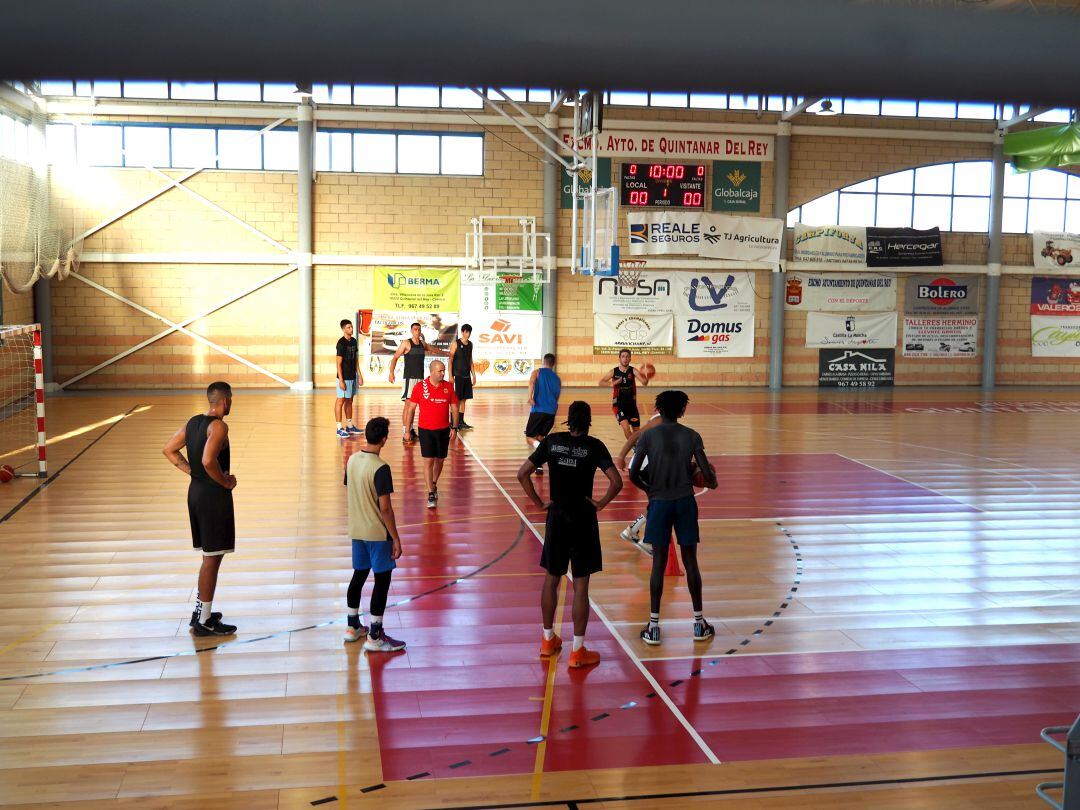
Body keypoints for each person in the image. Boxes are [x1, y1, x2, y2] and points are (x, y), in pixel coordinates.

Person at [518, 401, 622, 669]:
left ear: (567, 420)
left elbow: (523, 474)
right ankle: (577, 651)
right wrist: (600, 503)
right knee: (581, 585)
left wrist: (540, 503)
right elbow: (617, 482)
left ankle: (547, 640)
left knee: (551, 579)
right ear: (588, 422)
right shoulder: (594, 446)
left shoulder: (552, 442)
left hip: (557, 517)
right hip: (583, 518)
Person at [628, 390, 718, 647]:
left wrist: (650, 490)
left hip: (659, 502)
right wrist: (706, 477)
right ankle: (699, 624)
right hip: (685, 502)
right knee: (690, 562)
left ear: (659, 409)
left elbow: (634, 474)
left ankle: (654, 626)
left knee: (658, 563)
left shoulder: (648, 435)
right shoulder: (691, 436)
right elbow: (708, 478)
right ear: (682, 410)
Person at [162, 381, 238, 637]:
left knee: (210, 556)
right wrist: (225, 481)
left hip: (195, 492)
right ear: (225, 401)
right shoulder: (219, 426)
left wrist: (191, 472)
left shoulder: (193, 422)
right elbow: (207, 460)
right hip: (212, 497)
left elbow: (169, 450)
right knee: (212, 559)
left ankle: (202, 609)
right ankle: (204, 621)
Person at [343, 416, 406, 652]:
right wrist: (396, 538)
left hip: (356, 530)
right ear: (384, 439)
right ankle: (375, 636)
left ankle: (352, 627)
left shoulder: (352, 460)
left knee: (358, 576)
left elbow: (353, 489)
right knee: (382, 581)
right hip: (377, 534)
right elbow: (385, 508)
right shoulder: (381, 468)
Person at [403, 359, 459, 508]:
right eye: (440, 371)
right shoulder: (420, 387)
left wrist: (454, 427)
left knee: (440, 460)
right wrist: (407, 430)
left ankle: (433, 483)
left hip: (443, 430)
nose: (443, 373)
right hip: (426, 430)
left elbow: (454, 408)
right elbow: (411, 409)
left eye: (444, 371)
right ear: (432, 372)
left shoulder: (448, 387)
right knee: (428, 460)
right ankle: (430, 493)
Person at [615, 403, 662, 554]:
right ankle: (647, 541)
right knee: (660, 503)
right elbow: (635, 435)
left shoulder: (664, 421)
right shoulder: (659, 420)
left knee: (657, 503)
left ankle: (632, 531)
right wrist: (621, 455)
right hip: (643, 468)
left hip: (646, 467)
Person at [388, 322, 446, 443]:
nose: (417, 331)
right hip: (410, 379)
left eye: (419, 329)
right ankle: (405, 432)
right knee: (408, 406)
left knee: (414, 407)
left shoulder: (422, 344)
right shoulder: (406, 343)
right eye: (415, 329)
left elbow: (432, 349)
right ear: (411, 330)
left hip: (420, 379)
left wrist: (446, 353)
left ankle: (410, 430)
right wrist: (391, 372)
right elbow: (395, 357)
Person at [599, 349, 648, 440]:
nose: (625, 359)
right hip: (618, 404)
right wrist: (613, 383)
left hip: (631, 405)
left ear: (630, 359)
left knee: (636, 431)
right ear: (619, 358)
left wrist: (646, 376)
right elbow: (601, 382)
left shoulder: (633, 370)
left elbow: (644, 382)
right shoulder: (614, 371)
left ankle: (637, 445)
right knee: (626, 427)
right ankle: (634, 447)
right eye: (623, 356)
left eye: (627, 356)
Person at [524, 353, 561, 475]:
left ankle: (545, 451)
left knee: (530, 438)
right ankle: (539, 466)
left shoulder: (537, 372)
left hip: (538, 410)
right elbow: (557, 396)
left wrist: (530, 397)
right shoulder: (557, 378)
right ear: (553, 364)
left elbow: (531, 382)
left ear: (543, 361)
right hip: (551, 412)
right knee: (539, 437)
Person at [335, 318, 365, 438]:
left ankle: (349, 426)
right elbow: (338, 363)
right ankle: (339, 429)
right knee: (340, 400)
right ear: (343, 329)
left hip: (352, 376)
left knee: (349, 401)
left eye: (351, 327)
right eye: (348, 327)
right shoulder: (341, 343)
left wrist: (360, 374)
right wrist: (341, 380)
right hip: (344, 377)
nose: (351, 329)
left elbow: (356, 359)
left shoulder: (353, 341)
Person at [448, 323, 476, 431]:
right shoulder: (455, 343)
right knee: (456, 400)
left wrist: (473, 375)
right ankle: (452, 422)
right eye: (466, 332)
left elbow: (470, 360)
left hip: (466, 376)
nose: (468, 334)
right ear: (462, 332)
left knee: (464, 400)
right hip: (458, 375)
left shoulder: (471, 344)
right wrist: (450, 375)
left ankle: (461, 421)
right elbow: (450, 360)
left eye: (469, 332)